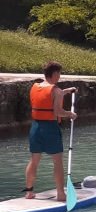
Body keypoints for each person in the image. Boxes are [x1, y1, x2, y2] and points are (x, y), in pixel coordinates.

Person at [24, 61, 79, 200]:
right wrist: (70, 114)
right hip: (50, 128)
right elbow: (58, 111)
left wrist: (66, 91)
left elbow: (47, 97)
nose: (59, 76)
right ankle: (60, 194)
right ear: (54, 73)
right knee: (57, 162)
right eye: (59, 73)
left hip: (35, 128)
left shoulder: (35, 86)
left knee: (34, 160)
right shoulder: (55, 90)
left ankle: (29, 192)